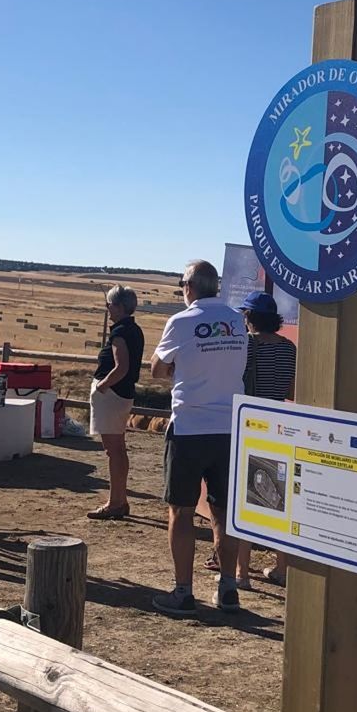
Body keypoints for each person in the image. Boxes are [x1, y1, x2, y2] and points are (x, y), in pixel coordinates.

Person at [148, 260, 248, 617]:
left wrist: (180, 368)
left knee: (181, 510)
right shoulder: (237, 320)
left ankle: (183, 591)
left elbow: (157, 369)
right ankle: (228, 588)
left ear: (189, 287)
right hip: (230, 429)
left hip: (189, 427)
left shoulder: (181, 321)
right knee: (223, 513)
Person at [237, 290, 296, 587]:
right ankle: (281, 567)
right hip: (280, 427)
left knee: (244, 501)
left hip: (251, 424)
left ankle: (241, 573)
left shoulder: (247, 346)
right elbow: (292, 391)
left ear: (249, 317)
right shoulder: (289, 348)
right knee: (279, 499)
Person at [85, 285, 143, 520]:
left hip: (112, 395)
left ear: (118, 307)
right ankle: (120, 499)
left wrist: (102, 385)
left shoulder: (120, 332)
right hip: (122, 394)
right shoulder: (134, 329)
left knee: (113, 451)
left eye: (109, 305)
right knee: (118, 449)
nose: (107, 309)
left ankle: (116, 502)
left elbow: (121, 367)